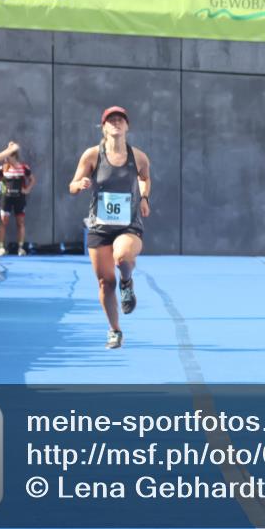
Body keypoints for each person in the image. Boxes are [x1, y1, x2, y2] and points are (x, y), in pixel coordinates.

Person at [69, 106, 151, 349]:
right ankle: (115, 330)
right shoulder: (92, 155)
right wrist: (80, 184)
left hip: (129, 225)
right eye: (111, 120)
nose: (116, 123)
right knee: (105, 283)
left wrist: (144, 198)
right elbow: (72, 185)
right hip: (100, 227)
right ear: (103, 127)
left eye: (120, 120)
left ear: (127, 126)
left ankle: (127, 281)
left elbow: (145, 178)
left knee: (122, 256)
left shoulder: (139, 157)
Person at [0, 147, 33, 256]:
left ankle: (20, 248)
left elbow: (32, 179)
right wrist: (2, 189)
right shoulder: (3, 168)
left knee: (20, 222)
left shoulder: (24, 167)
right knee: (3, 221)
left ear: (14, 156)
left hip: (19, 198)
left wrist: (27, 189)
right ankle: (0, 248)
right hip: (6, 198)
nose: (6, 158)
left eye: (8, 156)